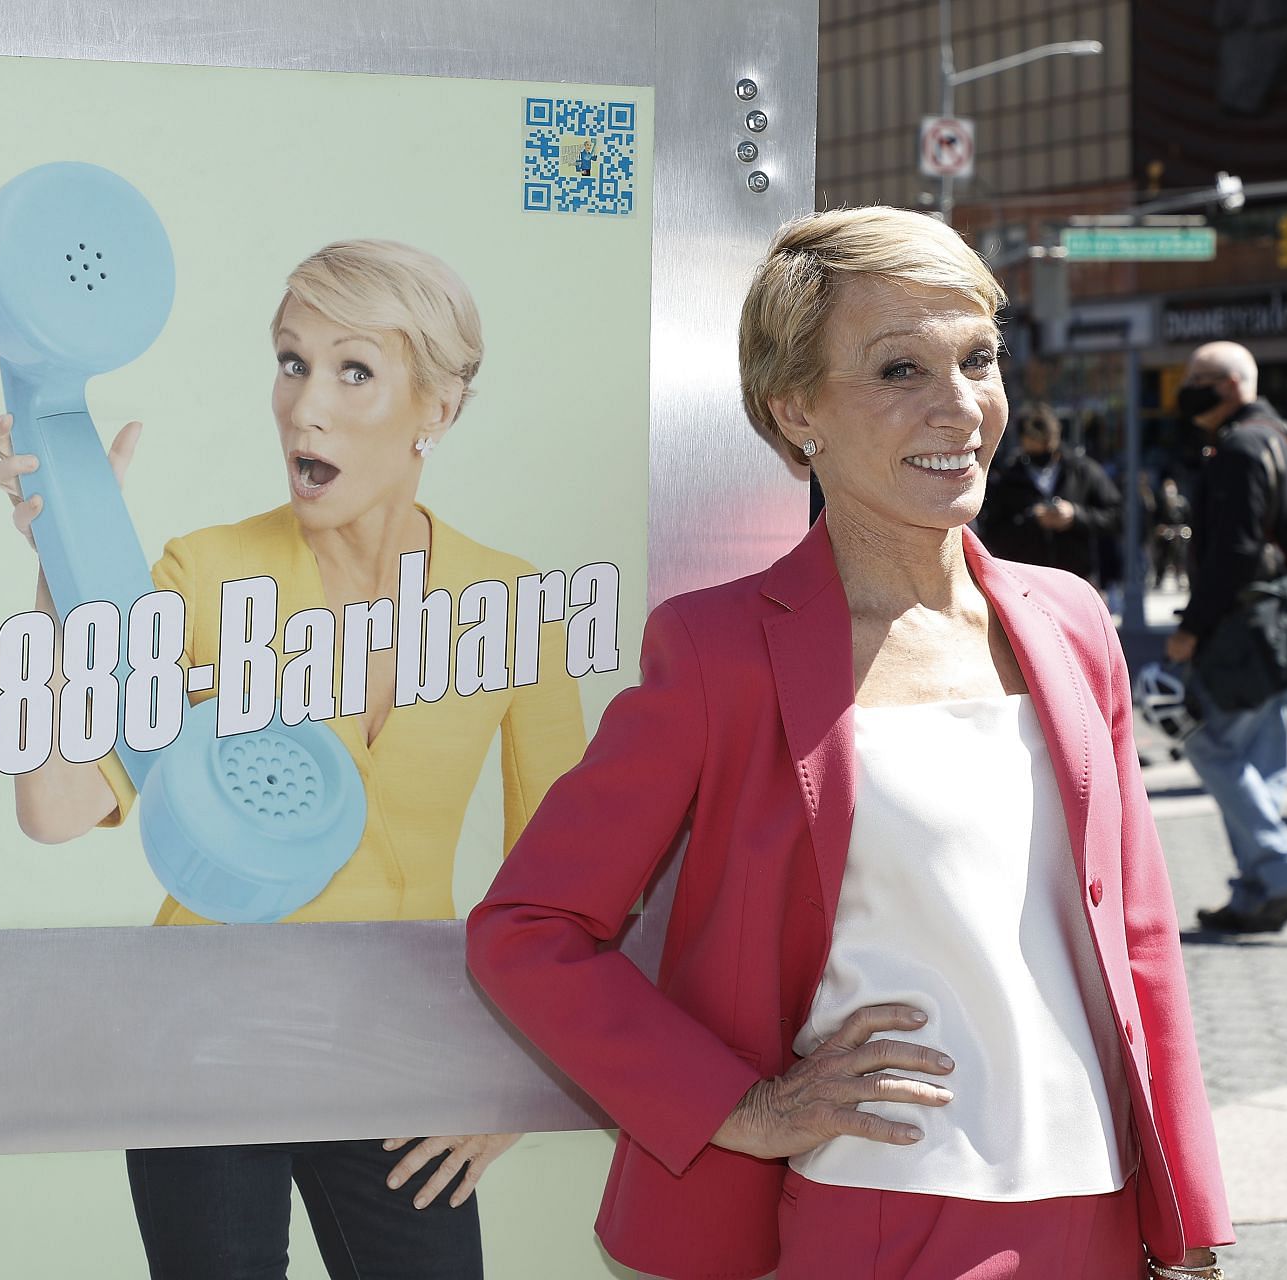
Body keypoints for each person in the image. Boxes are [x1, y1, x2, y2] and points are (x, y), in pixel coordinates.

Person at [468, 207, 1233, 1280]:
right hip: (881, 1211)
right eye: (898, 369)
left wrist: (1188, 1219)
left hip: (1094, 1203)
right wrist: (742, 1106)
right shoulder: (719, 651)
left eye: (978, 358)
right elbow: (527, 926)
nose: (959, 405)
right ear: (796, 409)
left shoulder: (1068, 621)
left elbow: (1141, 933)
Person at [0, 239, 589, 1279]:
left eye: (354, 369)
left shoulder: (510, 604)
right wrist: (62, 587)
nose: (303, 404)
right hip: (202, 1038)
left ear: (435, 411)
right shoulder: (206, 571)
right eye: (290, 359)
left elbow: (570, 877)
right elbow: (57, 804)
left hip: (405, 1046)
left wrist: (517, 1076)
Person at [1165, 341, 1287, 934]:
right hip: (1281, 618)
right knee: (1258, 763)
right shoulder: (1281, 439)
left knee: (1208, 744)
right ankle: (1255, 892)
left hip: (1243, 624)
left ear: (1234, 384)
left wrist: (1191, 630)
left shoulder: (1239, 448)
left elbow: (1233, 552)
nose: (1189, 388)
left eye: (1200, 378)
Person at [978, 400, 1124, 586]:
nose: (1043, 449)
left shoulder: (1082, 471)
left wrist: (1075, 516)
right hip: (1025, 583)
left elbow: (1117, 516)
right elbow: (990, 533)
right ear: (1023, 440)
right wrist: (1032, 519)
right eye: (1035, 441)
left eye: (1048, 442)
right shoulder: (1006, 478)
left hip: (1076, 581)